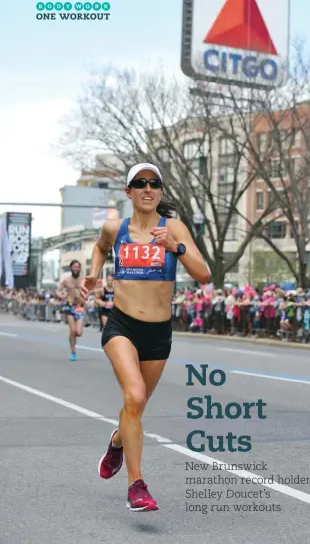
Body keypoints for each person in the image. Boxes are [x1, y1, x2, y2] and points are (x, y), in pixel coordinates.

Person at [79, 162, 210, 512]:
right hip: (121, 326)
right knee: (133, 395)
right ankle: (136, 486)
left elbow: (204, 274)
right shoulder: (115, 228)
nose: (148, 188)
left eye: (154, 183)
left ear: (161, 191)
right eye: (140, 183)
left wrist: (176, 248)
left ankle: (118, 440)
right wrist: (93, 275)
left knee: (135, 407)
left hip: (158, 332)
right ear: (129, 192)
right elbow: (100, 248)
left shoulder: (174, 228)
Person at [56, 260, 84, 361]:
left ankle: (72, 337)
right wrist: (62, 296)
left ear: (80, 268)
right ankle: (73, 352)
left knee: (79, 332)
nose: (76, 269)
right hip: (69, 306)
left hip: (80, 307)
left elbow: (89, 291)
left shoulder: (83, 280)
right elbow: (58, 291)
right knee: (72, 330)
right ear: (71, 268)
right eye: (74, 267)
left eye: (78, 267)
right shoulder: (66, 280)